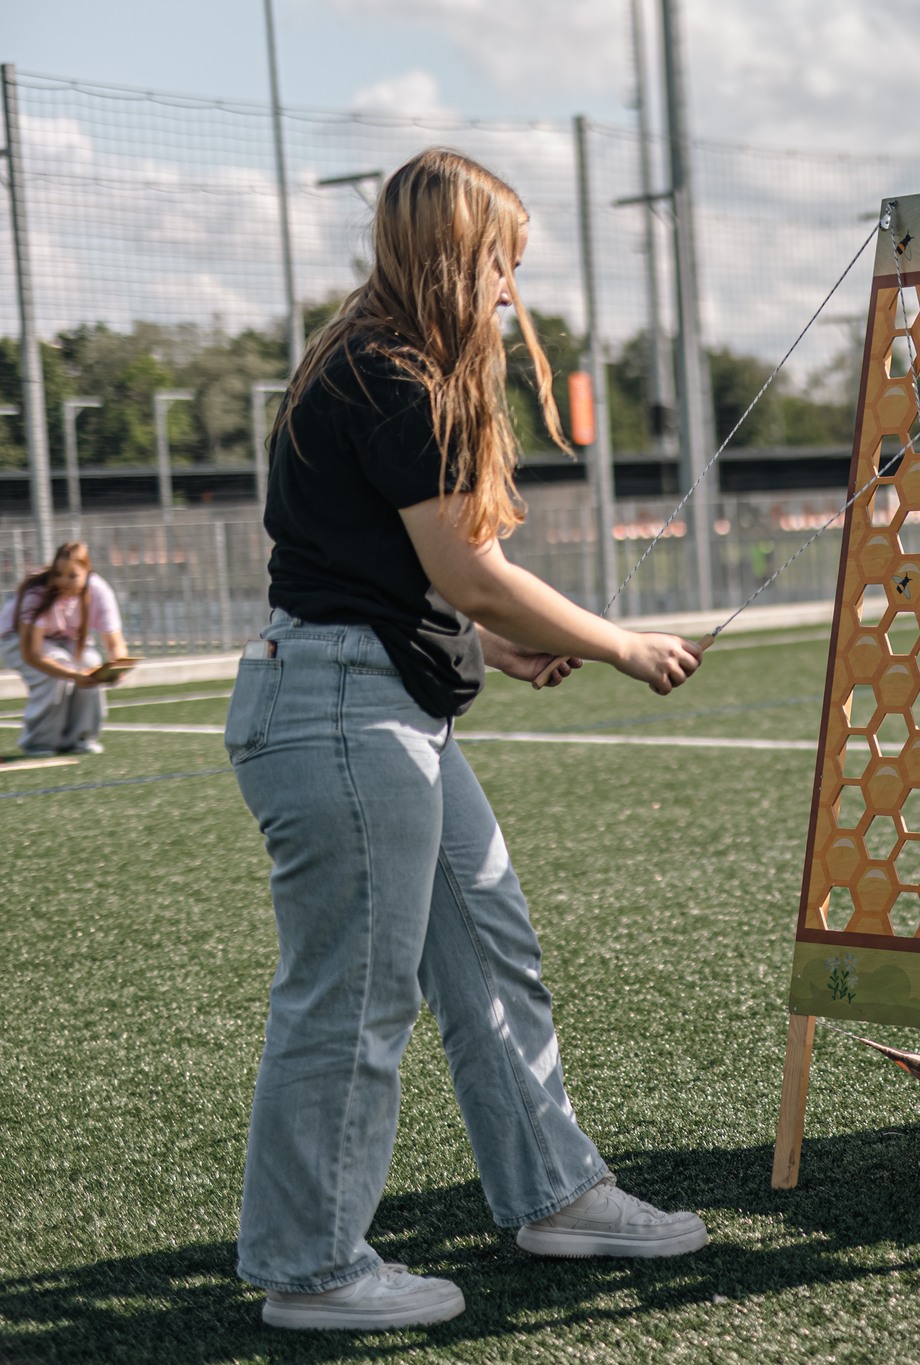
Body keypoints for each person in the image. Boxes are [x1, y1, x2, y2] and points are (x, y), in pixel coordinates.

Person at [228, 148, 707, 1333]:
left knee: (490, 953)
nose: (510, 292)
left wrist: (480, 646)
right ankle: (311, 1269)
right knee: (348, 1000)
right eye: (502, 263)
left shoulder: (377, 360)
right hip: (344, 719)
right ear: (458, 254)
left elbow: (384, 573)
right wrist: (619, 644)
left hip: (377, 700)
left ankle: (556, 1195)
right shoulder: (397, 372)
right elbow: (467, 572)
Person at [2, 540, 128, 757]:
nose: (63, 581)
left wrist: (118, 667)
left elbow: (115, 644)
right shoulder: (37, 593)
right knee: (57, 668)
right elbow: (31, 654)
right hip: (17, 640)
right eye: (58, 573)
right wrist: (72, 674)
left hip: (64, 639)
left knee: (91, 664)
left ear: (87, 573)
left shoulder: (99, 591)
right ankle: (40, 743)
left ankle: (80, 739)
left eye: (72, 575)